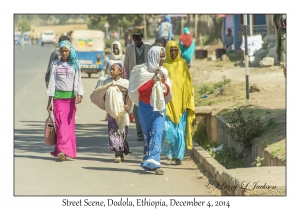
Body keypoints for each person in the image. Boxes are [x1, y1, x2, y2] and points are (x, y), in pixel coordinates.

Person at [128, 46, 172, 175]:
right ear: (153, 56)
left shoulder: (164, 72)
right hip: (145, 108)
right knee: (148, 135)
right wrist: (153, 81)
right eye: (161, 56)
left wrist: (163, 85)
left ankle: (155, 163)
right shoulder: (142, 71)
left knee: (157, 133)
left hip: (159, 108)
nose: (163, 59)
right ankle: (148, 161)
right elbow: (140, 91)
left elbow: (168, 91)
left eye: (164, 56)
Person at [46, 40, 84, 161]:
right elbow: (52, 83)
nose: (64, 53)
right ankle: (62, 150)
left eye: (66, 51)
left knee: (68, 126)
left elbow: (78, 81)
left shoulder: (75, 64)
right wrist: (49, 102)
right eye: (62, 51)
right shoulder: (55, 64)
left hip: (70, 99)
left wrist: (79, 94)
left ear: (70, 51)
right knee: (60, 125)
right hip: (58, 98)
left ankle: (66, 151)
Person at [161, 40, 195, 165]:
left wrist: (188, 100)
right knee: (168, 130)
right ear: (167, 51)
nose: (173, 52)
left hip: (181, 103)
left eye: (176, 50)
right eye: (171, 50)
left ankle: (178, 156)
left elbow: (188, 84)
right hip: (168, 102)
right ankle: (169, 154)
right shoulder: (164, 66)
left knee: (180, 130)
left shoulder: (183, 64)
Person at [90, 63, 133, 163]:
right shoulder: (107, 82)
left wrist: (128, 105)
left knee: (123, 132)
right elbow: (102, 93)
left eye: (114, 69)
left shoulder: (126, 83)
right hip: (111, 113)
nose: (111, 71)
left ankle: (121, 150)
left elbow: (130, 95)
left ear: (120, 71)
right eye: (111, 69)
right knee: (113, 132)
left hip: (123, 112)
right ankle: (117, 153)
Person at [124, 27, 152, 141]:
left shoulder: (149, 48)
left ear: (142, 37)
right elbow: (126, 66)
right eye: (133, 37)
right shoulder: (129, 49)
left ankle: (148, 130)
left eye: (137, 36)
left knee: (148, 106)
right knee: (136, 107)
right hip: (135, 81)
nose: (135, 39)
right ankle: (140, 132)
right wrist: (125, 81)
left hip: (148, 80)